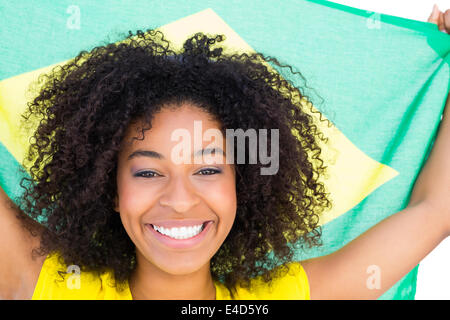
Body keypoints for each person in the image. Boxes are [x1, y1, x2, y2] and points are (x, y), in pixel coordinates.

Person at [0, 6, 449, 300]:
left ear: (244, 184)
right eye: (148, 173)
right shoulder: (47, 283)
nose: (179, 199)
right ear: (109, 189)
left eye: (209, 168)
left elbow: (436, 210)